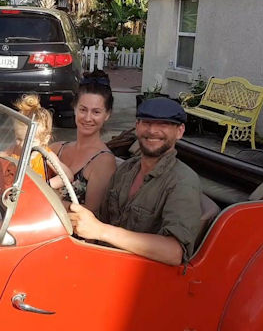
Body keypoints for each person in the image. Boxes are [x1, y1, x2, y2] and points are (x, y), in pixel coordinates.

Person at [68, 97, 202, 266]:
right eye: (146, 122)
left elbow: (174, 252)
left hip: (140, 280)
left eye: (164, 124)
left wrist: (101, 231)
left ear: (179, 131)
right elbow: (101, 218)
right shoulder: (127, 169)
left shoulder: (183, 181)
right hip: (102, 262)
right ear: (137, 127)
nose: (152, 130)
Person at [50, 72, 117, 213]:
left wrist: (45, 200)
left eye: (96, 112)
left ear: (107, 115)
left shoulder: (104, 161)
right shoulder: (57, 148)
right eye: (83, 110)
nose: (87, 118)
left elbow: (89, 212)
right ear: (74, 108)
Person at [0, 94, 72, 189]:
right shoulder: (15, 149)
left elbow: (68, 176)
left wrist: (45, 186)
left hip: (37, 197)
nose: (23, 145)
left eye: (30, 141)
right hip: (15, 194)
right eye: (19, 139)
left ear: (45, 139)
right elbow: (2, 155)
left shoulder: (46, 156)